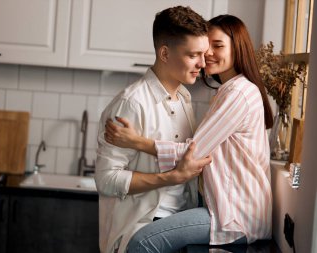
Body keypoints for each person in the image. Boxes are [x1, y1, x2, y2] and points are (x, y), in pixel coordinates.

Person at [104, 15, 274, 252]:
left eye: (218, 46)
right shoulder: (226, 92)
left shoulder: (239, 93)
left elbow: (192, 153)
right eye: (204, 50)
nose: (207, 57)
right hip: (228, 211)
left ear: (238, 48)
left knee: (141, 243)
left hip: (234, 216)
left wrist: (137, 142)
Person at [95, 6, 212, 253]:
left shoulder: (184, 98)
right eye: (193, 55)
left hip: (178, 224)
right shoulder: (132, 103)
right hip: (140, 229)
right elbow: (106, 179)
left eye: (203, 54)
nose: (202, 63)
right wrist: (170, 178)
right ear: (165, 53)